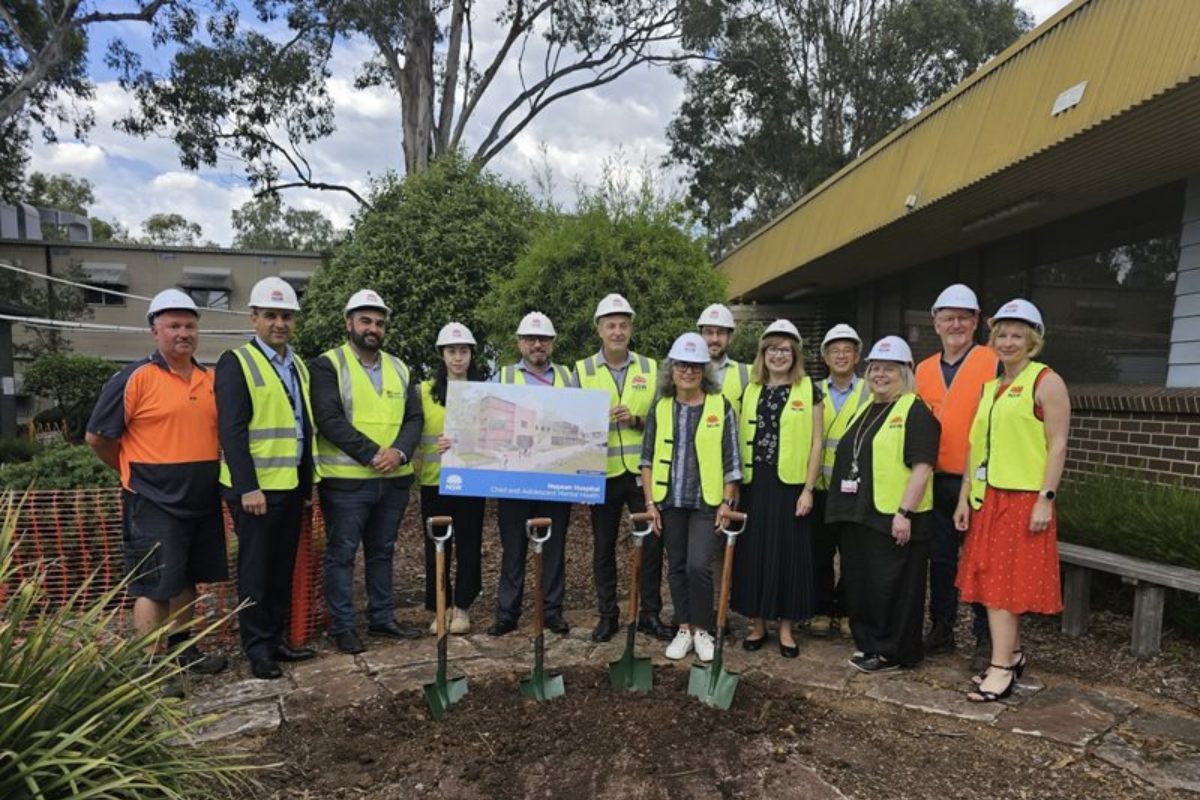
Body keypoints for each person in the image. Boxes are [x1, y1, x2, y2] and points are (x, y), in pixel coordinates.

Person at [86, 289, 229, 696]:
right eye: (173, 326)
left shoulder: (208, 379)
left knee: (187, 580)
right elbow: (97, 437)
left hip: (201, 498)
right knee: (154, 585)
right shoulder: (134, 378)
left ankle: (185, 652)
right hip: (152, 501)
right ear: (155, 331)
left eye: (189, 325)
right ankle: (151, 666)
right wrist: (132, 472)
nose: (183, 333)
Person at [955, 300, 1069, 703]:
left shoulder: (1046, 381)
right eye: (1001, 334)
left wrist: (1045, 499)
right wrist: (965, 495)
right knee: (991, 579)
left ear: (1032, 340)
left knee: (1005, 587)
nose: (1007, 341)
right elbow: (975, 444)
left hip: (1023, 499)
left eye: (1017, 334)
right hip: (989, 498)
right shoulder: (991, 387)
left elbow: (1057, 445)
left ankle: (1001, 667)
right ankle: (1013, 654)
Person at [311, 289, 424, 654]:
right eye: (365, 321)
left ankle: (382, 618)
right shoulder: (328, 365)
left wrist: (401, 452)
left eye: (378, 322)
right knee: (342, 554)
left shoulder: (400, 367)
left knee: (382, 551)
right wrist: (373, 454)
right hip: (346, 483)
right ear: (349, 323)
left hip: (392, 482)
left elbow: (414, 418)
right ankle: (343, 627)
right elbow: (328, 418)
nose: (372, 328)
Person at [216, 277, 316, 680]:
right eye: (271, 315)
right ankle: (257, 650)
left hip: (289, 487)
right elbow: (232, 431)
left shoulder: (298, 365)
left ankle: (275, 641)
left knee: (280, 570)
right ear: (253, 317)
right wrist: (247, 487)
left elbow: (302, 428)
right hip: (256, 491)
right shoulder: (236, 362)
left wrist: (307, 485)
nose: (280, 323)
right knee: (256, 572)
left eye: (286, 316)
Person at [827, 336, 940, 673]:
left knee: (892, 587)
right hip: (860, 514)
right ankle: (870, 644)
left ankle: (894, 651)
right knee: (863, 584)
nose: (879, 375)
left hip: (895, 516)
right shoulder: (867, 408)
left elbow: (922, 467)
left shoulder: (915, 410)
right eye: (875, 368)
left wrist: (904, 512)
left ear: (905, 372)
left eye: (888, 369)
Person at [573, 294, 670, 643]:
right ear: (599, 329)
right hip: (600, 475)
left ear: (631, 329)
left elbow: (665, 420)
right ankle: (607, 615)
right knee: (603, 547)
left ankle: (649, 614)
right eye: (611, 325)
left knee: (652, 545)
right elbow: (570, 425)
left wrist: (638, 418)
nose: (617, 331)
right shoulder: (581, 371)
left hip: (642, 474)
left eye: (623, 325)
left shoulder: (651, 367)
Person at [640, 332, 740, 663]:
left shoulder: (719, 405)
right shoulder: (661, 406)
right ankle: (684, 627)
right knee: (678, 565)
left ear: (704, 371)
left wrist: (727, 501)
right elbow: (647, 459)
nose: (688, 371)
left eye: (695, 366)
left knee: (699, 566)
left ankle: (702, 629)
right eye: (682, 365)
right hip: (669, 501)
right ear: (672, 369)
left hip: (705, 502)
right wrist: (650, 503)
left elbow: (732, 460)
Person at [914, 283, 998, 670]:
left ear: (977, 321)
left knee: (981, 561)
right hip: (935, 478)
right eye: (948, 317)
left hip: (978, 480)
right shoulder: (923, 369)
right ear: (936, 323)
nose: (956, 324)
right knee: (941, 559)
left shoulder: (993, 361)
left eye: (964, 317)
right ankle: (943, 627)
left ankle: (986, 635)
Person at [730, 320, 823, 658]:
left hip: (791, 487)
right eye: (772, 349)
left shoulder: (808, 389)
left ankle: (785, 629)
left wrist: (808, 489)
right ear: (762, 354)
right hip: (756, 485)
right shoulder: (751, 389)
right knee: (753, 553)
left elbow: (817, 443)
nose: (778, 355)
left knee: (788, 554)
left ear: (794, 354)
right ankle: (757, 625)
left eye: (785, 349)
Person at [488, 312, 573, 637]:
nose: (537, 345)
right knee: (513, 549)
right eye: (530, 339)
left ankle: (552, 611)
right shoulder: (504, 376)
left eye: (543, 340)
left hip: (556, 481)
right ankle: (506, 614)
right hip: (514, 481)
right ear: (519, 343)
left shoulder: (568, 376)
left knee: (554, 548)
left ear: (552, 343)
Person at [417, 322, 487, 635]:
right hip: (435, 482)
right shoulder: (423, 393)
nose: (458, 357)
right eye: (451, 351)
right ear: (442, 355)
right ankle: (440, 607)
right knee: (437, 546)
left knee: (470, 545)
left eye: (463, 351)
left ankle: (462, 608)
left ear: (471, 355)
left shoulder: (484, 392)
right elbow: (413, 434)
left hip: (471, 481)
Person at [810, 323, 870, 637]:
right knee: (820, 551)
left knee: (852, 554)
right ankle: (822, 608)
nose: (842, 356)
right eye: (835, 351)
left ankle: (846, 609)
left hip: (855, 489)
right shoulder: (812, 390)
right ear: (826, 357)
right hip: (820, 487)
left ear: (857, 356)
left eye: (848, 350)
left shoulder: (869, 390)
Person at [697, 303, 750, 416]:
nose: (714, 339)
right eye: (709, 332)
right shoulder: (686, 373)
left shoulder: (748, 373)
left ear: (730, 337)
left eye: (720, 333)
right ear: (700, 335)